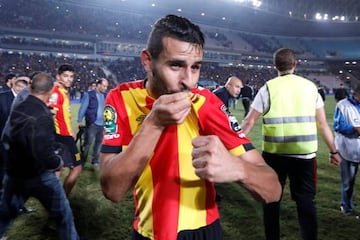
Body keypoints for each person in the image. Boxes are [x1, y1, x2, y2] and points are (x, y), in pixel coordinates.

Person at [99, 14, 281, 240]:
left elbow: (273, 190)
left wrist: (238, 168)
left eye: (195, 67)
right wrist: (154, 123)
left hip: (202, 232)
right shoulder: (121, 98)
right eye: (176, 65)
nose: (189, 81)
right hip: (147, 231)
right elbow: (112, 190)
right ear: (147, 61)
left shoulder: (207, 103)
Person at [241, 48, 341, 240]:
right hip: (304, 156)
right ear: (295, 65)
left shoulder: (268, 88)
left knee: (271, 199)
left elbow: (249, 122)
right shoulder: (311, 87)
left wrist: (234, 147)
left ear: (275, 66)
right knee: (305, 201)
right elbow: (322, 124)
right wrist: (334, 151)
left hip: (274, 155)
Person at [0, 72, 79, 240]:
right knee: (64, 216)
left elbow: (6, 138)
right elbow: (44, 153)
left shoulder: (18, 106)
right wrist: (58, 162)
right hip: (37, 176)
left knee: (5, 215)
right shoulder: (43, 115)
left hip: (14, 173)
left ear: (30, 88)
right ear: (51, 91)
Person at [49, 64, 83, 196]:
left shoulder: (63, 92)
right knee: (77, 167)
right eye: (65, 76)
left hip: (65, 136)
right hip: (62, 138)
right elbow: (51, 115)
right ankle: (63, 198)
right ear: (58, 77)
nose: (69, 79)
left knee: (59, 168)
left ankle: (53, 197)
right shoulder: (56, 93)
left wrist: (71, 132)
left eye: (71, 76)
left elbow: (64, 117)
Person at [333, 84, 360, 217]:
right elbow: (338, 126)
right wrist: (355, 129)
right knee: (348, 182)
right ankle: (346, 206)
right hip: (347, 149)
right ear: (357, 93)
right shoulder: (342, 105)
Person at [0, 78, 28, 196]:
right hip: (3, 139)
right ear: (14, 86)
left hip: (19, 141)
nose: (22, 90)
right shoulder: (2, 97)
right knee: (3, 168)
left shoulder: (27, 100)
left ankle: (15, 198)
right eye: (20, 87)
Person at [77, 78, 109, 166]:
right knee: (87, 143)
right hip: (92, 123)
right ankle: (82, 160)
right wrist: (79, 120)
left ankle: (95, 160)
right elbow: (83, 107)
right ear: (98, 85)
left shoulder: (106, 96)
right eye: (104, 86)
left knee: (99, 144)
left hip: (102, 124)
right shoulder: (89, 95)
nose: (105, 88)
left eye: (106, 86)